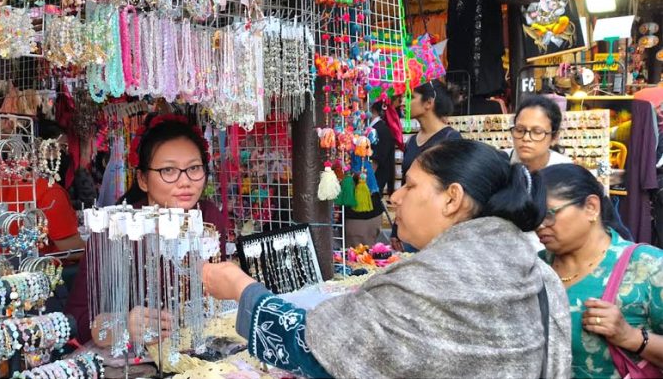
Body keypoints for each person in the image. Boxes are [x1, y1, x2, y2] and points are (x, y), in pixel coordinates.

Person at [204, 139, 571, 378]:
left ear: (452, 198)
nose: (395, 198)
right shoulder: (539, 274)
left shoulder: (430, 283)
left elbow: (321, 349)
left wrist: (242, 288)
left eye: (410, 186)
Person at [66, 113, 226, 345]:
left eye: (194, 168)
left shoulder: (208, 216)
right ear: (142, 179)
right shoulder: (115, 231)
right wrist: (122, 325)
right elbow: (76, 318)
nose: (185, 181)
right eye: (168, 171)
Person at [537, 164, 663, 378]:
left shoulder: (648, 266)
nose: (539, 225)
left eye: (549, 214)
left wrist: (630, 337)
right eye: (534, 217)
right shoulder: (535, 269)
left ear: (591, 207)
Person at [0, 123, 84, 254]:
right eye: (61, 147)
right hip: (41, 268)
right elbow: (72, 249)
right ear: (41, 149)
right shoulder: (51, 192)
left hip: (3, 266)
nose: (66, 153)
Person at [390, 79, 461, 252]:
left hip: (436, 231)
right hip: (410, 228)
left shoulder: (450, 140)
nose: (403, 103)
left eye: (410, 97)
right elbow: (405, 187)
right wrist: (396, 229)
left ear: (429, 103)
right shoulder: (412, 141)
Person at [343, 101, 396, 246]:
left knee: (360, 251)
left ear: (369, 107)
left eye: (354, 106)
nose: (351, 112)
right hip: (361, 204)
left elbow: (369, 169)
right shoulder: (368, 131)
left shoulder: (377, 131)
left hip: (365, 206)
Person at [507, 95, 572, 172]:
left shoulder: (566, 170)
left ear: (554, 138)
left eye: (537, 132)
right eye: (520, 130)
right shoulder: (500, 163)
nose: (526, 138)